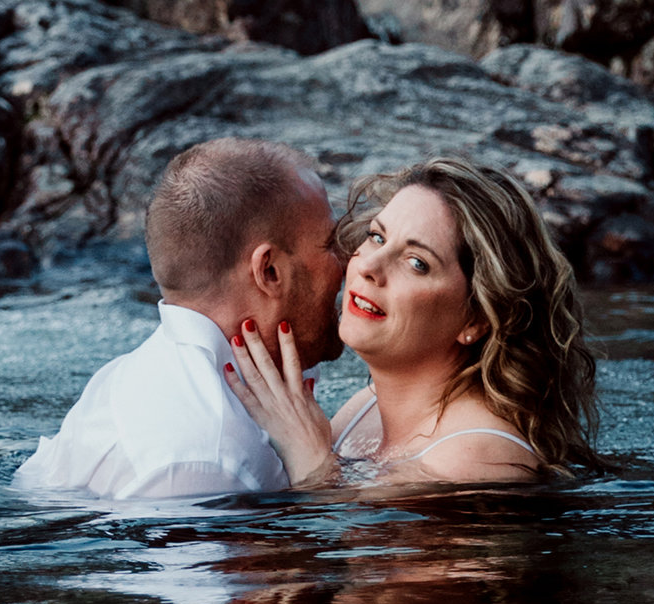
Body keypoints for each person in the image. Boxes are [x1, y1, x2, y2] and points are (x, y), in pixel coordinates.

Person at [223, 155, 600, 490]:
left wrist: (313, 466)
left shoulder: (477, 459)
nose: (368, 267)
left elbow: (350, 563)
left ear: (478, 318)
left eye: (417, 262)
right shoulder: (364, 408)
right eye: (376, 236)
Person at [12, 137, 346, 507]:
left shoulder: (129, 378)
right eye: (332, 244)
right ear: (269, 271)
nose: (352, 260)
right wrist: (320, 483)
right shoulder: (208, 458)